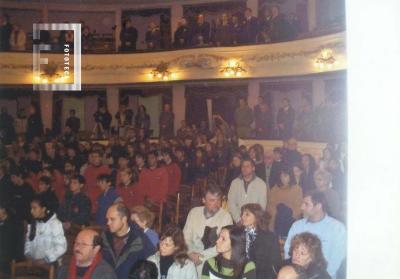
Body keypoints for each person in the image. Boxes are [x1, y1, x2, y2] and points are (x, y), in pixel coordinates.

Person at [284, 191, 346, 278]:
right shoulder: (297, 226)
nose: (302, 207)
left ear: (318, 206)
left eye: (306, 204)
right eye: (302, 203)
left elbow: (336, 261)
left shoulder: (337, 228)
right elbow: (288, 251)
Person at [183, 184, 233, 275]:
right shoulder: (194, 212)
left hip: (212, 258)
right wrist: (190, 253)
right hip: (191, 254)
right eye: (212, 200)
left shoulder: (226, 217)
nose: (217, 204)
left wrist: (201, 257)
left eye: (219, 200)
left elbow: (225, 245)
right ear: (203, 200)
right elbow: (186, 237)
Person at [102, 203, 155, 279]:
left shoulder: (140, 240)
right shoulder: (105, 237)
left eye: (112, 219)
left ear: (124, 219)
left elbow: (150, 268)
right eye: (107, 219)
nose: (108, 223)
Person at [240, 203, 281, 279]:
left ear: (256, 217)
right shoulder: (238, 235)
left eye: (247, 214)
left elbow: (276, 264)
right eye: (242, 214)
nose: (242, 217)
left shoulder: (270, 238)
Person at [24, 196, 67, 263]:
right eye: (31, 208)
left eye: (34, 208)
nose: (31, 211)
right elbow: (28, 241)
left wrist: (46, 259)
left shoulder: (55, 224)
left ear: (43, 209)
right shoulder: (33, 223)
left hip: (49, 263)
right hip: (34, 262)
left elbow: (61, 247)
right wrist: (28, 255)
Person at [228, 158, 267, 222]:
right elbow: (231, 202)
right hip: (238, 220)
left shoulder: (261, 184)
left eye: (247, 166)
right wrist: (238, 219)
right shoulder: (235, 183)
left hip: (254, 221)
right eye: (243, 166)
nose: (244, 168)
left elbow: (262, 206)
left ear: (253, 168)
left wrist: (252, 220)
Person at [267, 168, 303, 236]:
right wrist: (277, 213)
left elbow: (299, 208)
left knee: (284, 210)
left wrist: (286, 214)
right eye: (281, 176)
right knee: (281, 209)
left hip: (291, 220)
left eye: (285, 176)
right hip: (276, 219)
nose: (282, 178)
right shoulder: (275, 188)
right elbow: (270, 205)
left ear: (290, 176)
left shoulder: (297, 189)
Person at [0, 204, 24, 276]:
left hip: (9, 260)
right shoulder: (3, 222)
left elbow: (10, 247)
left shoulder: (14, 224)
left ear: (3, 209)